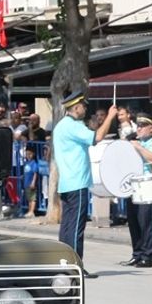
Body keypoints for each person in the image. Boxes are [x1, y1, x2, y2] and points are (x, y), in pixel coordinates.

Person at [52, 90, 117, 275]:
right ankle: (74, 266)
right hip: (77, 181)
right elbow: (97, 138)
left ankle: (64, 263)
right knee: (75, 227)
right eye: (83, 106)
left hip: (67, 182)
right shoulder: (73, 126)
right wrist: (110, 117)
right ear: (76, 107)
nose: (85, 109)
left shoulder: (62, 125)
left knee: (67, 226)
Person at [127, 114, 152, 267]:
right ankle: (137, 253)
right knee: (133, 221)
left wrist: (139, 147)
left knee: (145, 222)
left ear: (151, 128)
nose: (139, 129)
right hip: (133, 185)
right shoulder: (135, 142)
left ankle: (148, 255)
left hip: (147, 187)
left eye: (143, 126)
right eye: (138, 126)